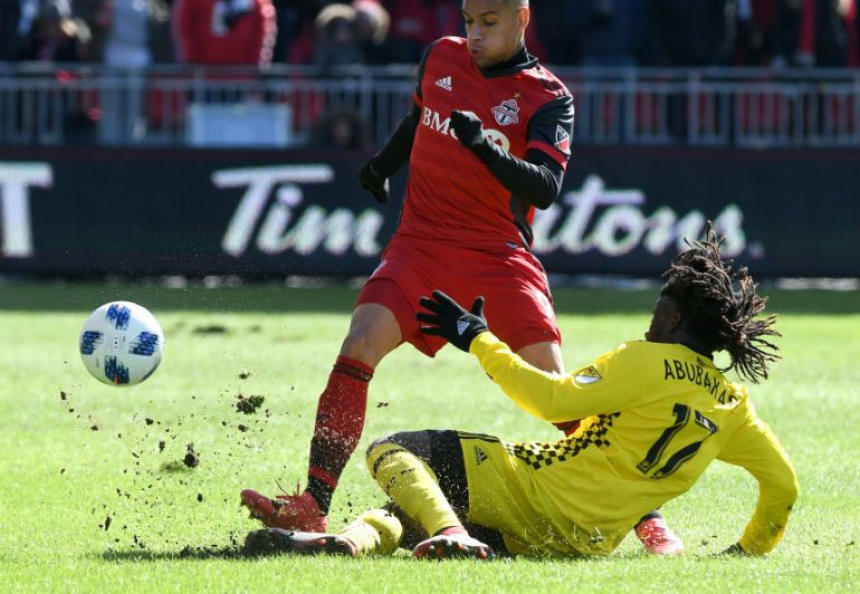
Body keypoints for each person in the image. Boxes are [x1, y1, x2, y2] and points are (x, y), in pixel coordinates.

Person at [241, 0, 682, 556]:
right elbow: (418, 119)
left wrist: (483, 148)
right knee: (358, 345)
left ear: (522, 20)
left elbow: (546, 188)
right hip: (419, 244)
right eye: (469, 21)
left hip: (496, 257)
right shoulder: (440, 57)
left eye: (490, 23)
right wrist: (381, 165)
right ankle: (313, 503)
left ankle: (644, 514)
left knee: (555, 391)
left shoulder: (549, 98)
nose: (474, 34)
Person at [243, 224, 799, 561]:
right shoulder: (731, 405)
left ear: (675, 317)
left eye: (658, 310)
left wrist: (479, 339)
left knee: (393, 452)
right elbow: (782, 487)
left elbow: (550, 400)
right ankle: (349, 543)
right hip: (584, 540)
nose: (651, 319)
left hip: (534, 490)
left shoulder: (647, 360)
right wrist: (747, 551)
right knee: (398, 511)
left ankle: (452, 534)